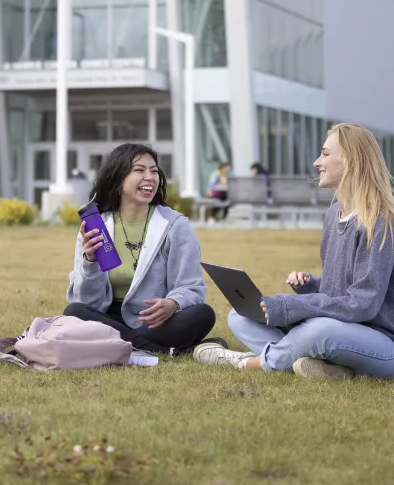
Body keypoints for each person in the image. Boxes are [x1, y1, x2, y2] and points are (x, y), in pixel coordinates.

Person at [194, 123, 394, 379]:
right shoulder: (334, 215)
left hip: (380, 341)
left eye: (325, 153)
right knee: (240, 316)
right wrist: (311, 285)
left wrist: (293, 305)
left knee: (317, 330)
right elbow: (340, 291)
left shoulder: (377, 221)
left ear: (352, 160)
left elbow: (364, 304)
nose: (316, 162)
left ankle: (247, 362)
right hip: (343, 328)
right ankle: (330, 369)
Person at [64, 143, 224, 355]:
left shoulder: (175, 225)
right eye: (139, 170)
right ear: (118, 178)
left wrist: (173, 303)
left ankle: (120, 345)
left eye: (154, 171)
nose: (150, 177)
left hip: (155, 322)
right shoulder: (96, 226)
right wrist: (90, 262)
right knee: (74, 311)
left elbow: (192, 288)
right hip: (107, 318)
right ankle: (165, 350)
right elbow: (86, 301)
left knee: (203, 314)